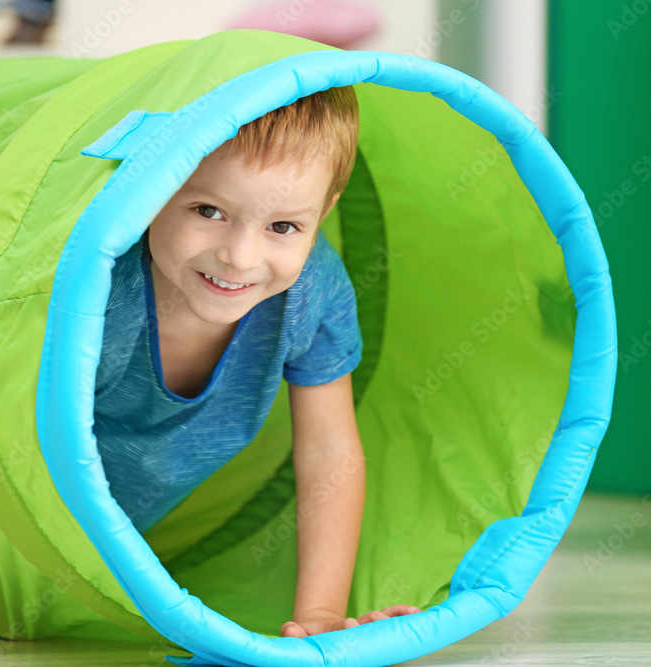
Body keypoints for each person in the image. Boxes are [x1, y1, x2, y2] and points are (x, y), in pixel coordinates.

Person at [92, 86, 422, 638]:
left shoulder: (313, 290)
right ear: (155, 188)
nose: (239, 257)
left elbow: (329, 449)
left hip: (121, 546)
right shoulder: (103, 283)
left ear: (325, 212)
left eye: (284, 227)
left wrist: (319, 616)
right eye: (208, 210)